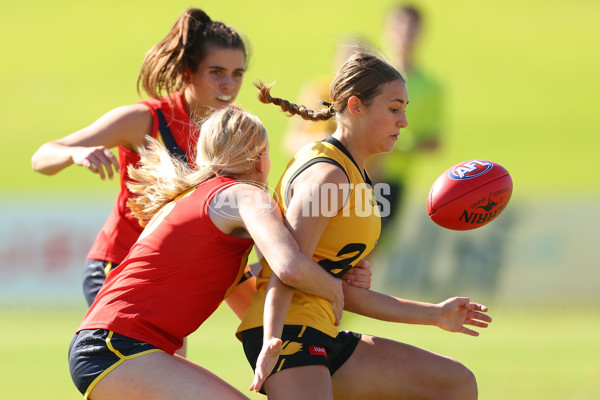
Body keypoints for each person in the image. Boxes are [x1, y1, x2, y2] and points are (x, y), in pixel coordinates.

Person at [236, 52, 492, 400]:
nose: (404, 122)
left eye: (404, 109)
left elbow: (339, 290)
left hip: (319, 329)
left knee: (455, 383)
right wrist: (271, 340)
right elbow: (288, 268)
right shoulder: (328, 174)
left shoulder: (355, 173)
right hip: (289, 334)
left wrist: (436, 315)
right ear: (356, 106)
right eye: (393, 108)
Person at [67, 106, 354, 400]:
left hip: (110, 346)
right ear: (261, 158)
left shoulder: (199, 197)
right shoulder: (246, 195)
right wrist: (333, 288)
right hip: (117, 346)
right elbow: (289, 267)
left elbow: (251, 286)